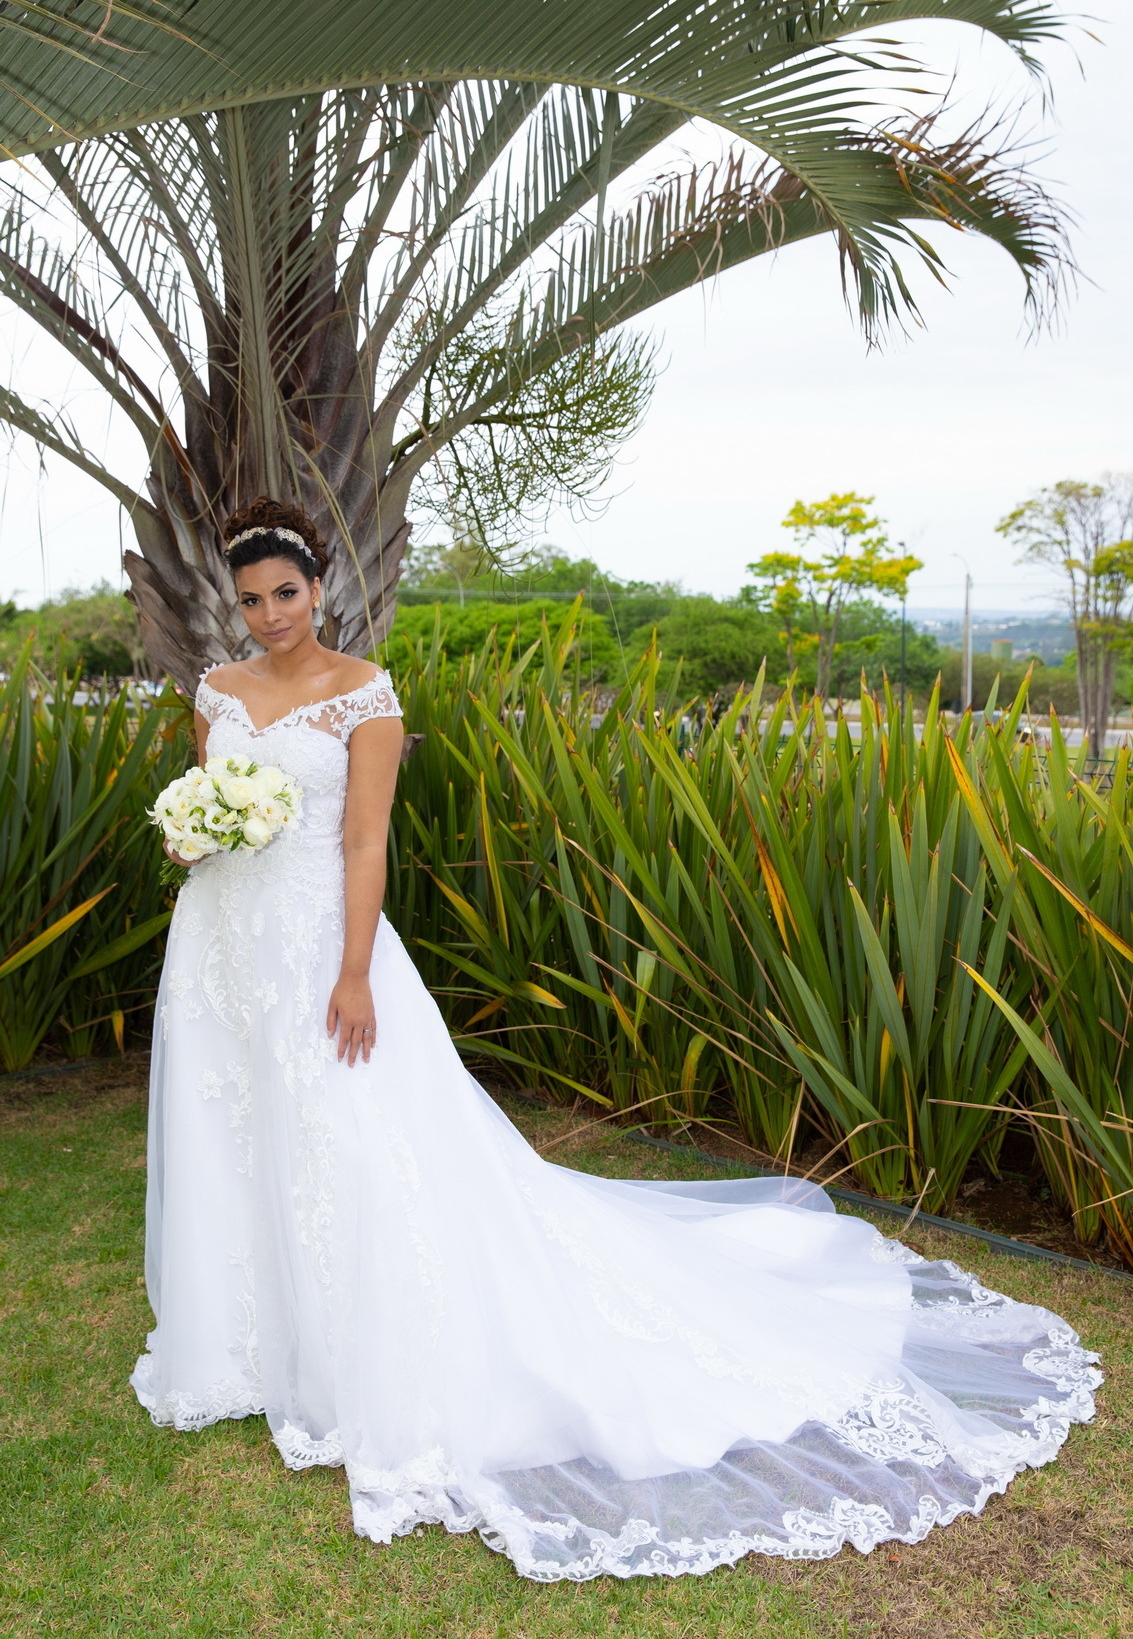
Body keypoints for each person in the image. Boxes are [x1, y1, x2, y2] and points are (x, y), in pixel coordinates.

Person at [133, 497, 1101, 1583]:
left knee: (349, 1138)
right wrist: (197, 832)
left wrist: (353, 969)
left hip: (321, 941)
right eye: (251, 597)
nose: (268, 615)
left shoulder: (364, 695)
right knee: (235, 1123)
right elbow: (212, 799)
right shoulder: (216, 692)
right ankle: (249, 1340)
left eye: (286, 592)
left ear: (319, 590)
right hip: (220, 943)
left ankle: (360, 1351)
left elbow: (364, 836)